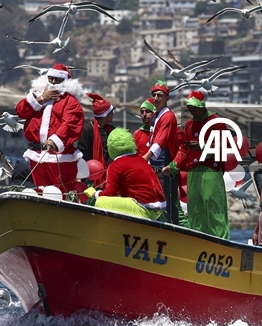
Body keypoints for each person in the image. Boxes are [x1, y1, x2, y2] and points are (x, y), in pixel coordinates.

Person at [163, 90, 229, 239]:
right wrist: (173, 166)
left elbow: (222, 147)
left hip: (210, 170)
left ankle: (221, 242)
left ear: (202, 106)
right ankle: (198, 241)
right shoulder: (189, 125)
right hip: (193, 172)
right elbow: (184, 150)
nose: (193, 112)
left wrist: (202, 147)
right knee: (195, 211)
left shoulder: (216, 122)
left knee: (214, 209)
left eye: (196, 108)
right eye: (191, 109)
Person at [15, 62, 85, 193]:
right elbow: (20, 111)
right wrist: (41, 99)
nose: (53, 82)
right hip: (37, 154)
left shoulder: (70, 101)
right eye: (50, 78)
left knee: (60, 191)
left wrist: (55, 140)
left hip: (61, 157)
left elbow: (71, 123)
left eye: (57, 79)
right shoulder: (37, 95)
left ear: (65, 81)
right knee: (40, 190)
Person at [84, 128, 166, 220]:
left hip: (143, 208)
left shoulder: (115, 165)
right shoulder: (140, 160)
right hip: (158, 210)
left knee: (101, 201)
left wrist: (95, 194)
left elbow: (110, 193)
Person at [144, 80, 183, 226]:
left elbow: (160, 140)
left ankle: (174, 234)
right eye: (154, 95)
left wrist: (146, 157)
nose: (156, 98)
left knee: (168, 207)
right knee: (157, 205)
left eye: (160, 95)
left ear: (167, 98)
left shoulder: (168, 116)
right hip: (155, 169)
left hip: (165, 169)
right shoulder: (156, 115)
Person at [78, 93, 115, 166]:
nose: (113, 114)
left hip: (108, 172)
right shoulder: (87, 130)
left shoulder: (111, 130)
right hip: (91, 172)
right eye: (111, 112)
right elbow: (82, 154)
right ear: (105, 115)